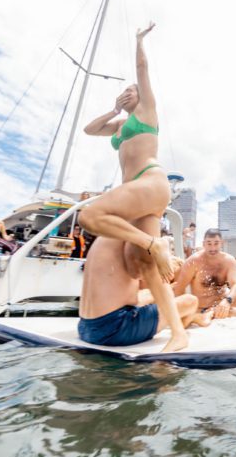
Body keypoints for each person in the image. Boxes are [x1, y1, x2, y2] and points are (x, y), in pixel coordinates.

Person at [78, 22, 187, 352]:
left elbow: (142, 69)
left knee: (89, 215)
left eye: (132, 91)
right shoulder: (119, 125)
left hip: (150, 181)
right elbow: (88, 129)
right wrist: (114, 109)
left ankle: (155, 243)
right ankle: (180, 333)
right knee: (143, 265)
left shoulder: (147, 112)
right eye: (123, 92)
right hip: (139, 195)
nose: (128, 93)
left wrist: (139, 40)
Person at [78, 237, 199, 348]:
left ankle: (194, 319)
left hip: (84, 327)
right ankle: (189, 323)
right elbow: (138, 293)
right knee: (190, 301)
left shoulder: (103, 241)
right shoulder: (138, 247)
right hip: (114, 329)